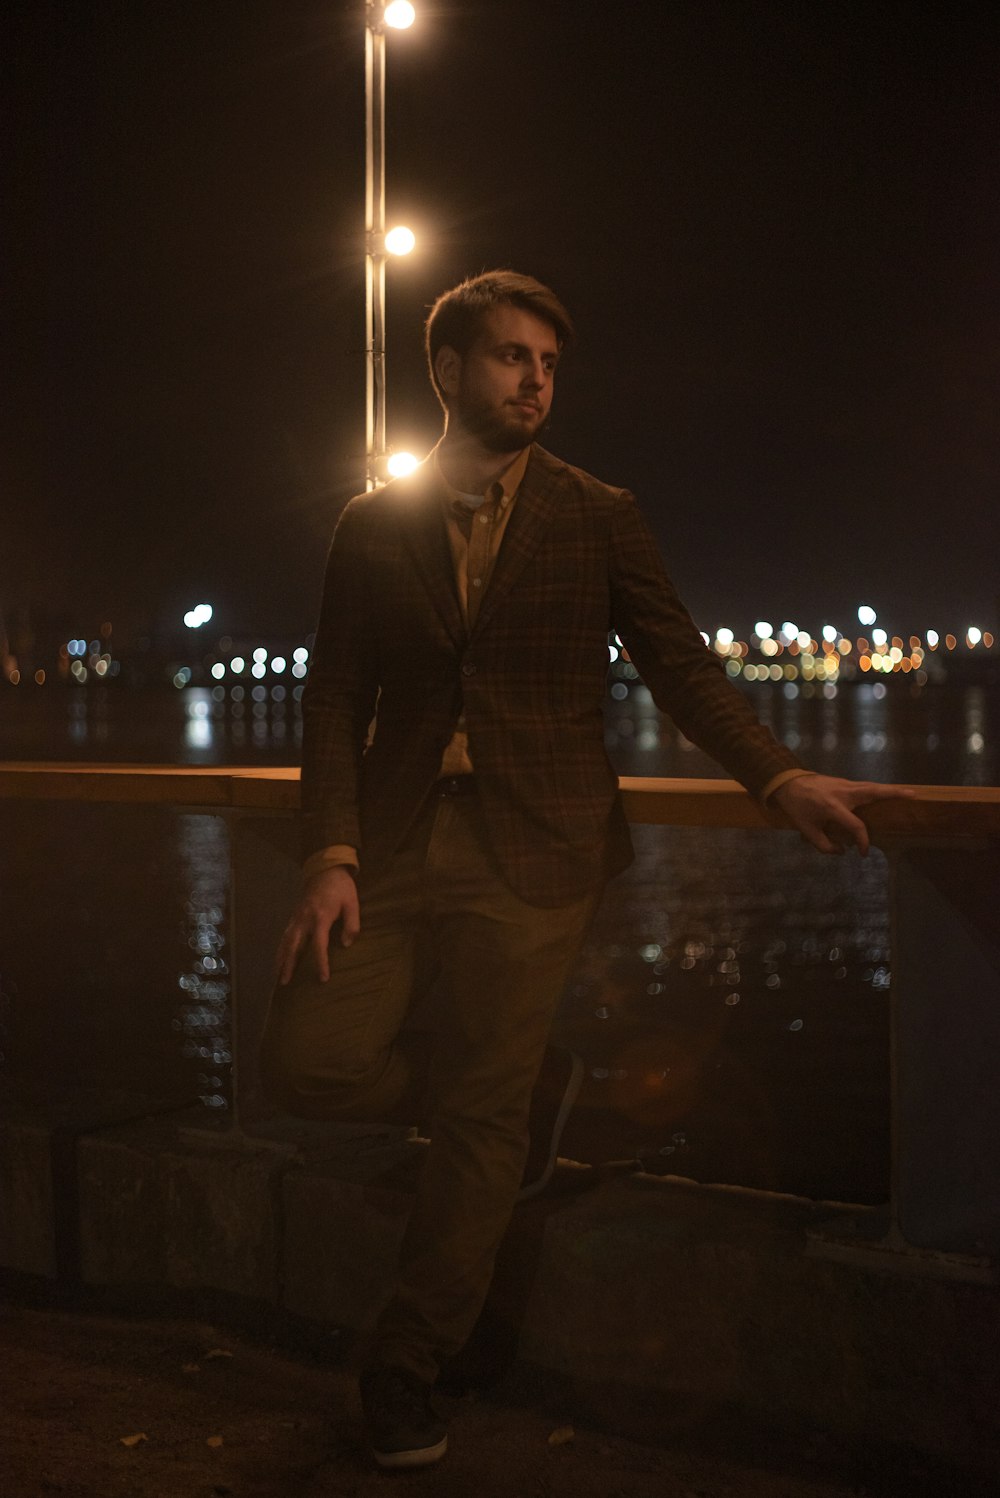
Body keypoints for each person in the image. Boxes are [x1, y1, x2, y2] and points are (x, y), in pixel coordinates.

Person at [260, 270, 911, 1469]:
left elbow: (680, 666)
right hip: (396, 841)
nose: (536, 381)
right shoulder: (373, 521)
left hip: (538, 849)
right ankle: (514, 1104)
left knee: (479, 1118)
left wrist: (778, 778)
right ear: (447, 371)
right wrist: (332, 851)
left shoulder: (595, 512)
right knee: (313, 1059)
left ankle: (406, 1369)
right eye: (511, 358)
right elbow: (338, 694)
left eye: (549, 364)